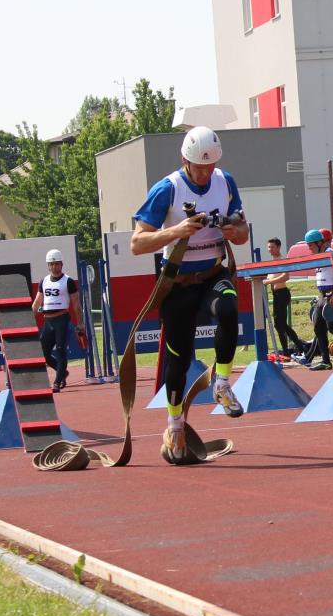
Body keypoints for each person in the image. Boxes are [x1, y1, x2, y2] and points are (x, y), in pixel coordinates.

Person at [130, 126, 249, 459]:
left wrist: (234, 231)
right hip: (179, 283)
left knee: (228, 310)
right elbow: (137, 243)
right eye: (199, 167)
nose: (205, 173)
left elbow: (243, 231)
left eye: (211, 166)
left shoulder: (225, 182)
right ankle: (175, 426)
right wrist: (177, 231)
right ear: (185, 160)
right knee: (179, 359)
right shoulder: (167, 189)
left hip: (213, 275)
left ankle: (222, 384)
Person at [32, 249, 85, 392]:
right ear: (48, 265)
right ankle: (62, 372)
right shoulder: (43, 281)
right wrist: (28, 319)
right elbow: (37, 303)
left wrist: (80, 323)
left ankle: (57, 382)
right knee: (43, 353)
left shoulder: (68, 281)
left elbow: (76, 304)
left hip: (62, 320)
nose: (54, 267)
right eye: (51, 264)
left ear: (62, 264)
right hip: (48, 322)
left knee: (61, 351)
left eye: (56, 264)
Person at [300, 228, 333, 370]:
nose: (309, 248)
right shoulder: (317, 256)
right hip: (322, 295)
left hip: (332, 294)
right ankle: (325, 361)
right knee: (318, 327)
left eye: (311, 245)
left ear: (320, 243)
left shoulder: (331, 254)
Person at [263, 237, 306, 358]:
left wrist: (268, 281)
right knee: (280, 324)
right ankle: (290, 349)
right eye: (269, 247)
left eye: (272, 247)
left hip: (282, 293)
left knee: (280, 324)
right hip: (276, 294)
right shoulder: (271, 261)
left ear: (278, 247)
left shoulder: (282, 260)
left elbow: (286, 276)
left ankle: (296, 348)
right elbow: (269, 276)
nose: (270, 249)